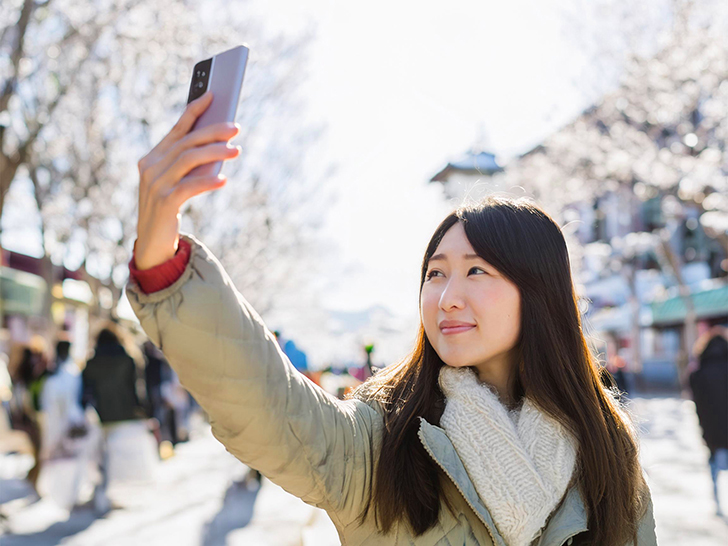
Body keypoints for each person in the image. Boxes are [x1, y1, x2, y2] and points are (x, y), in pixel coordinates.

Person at [125, 93, 657, 545]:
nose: (446, 297)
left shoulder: (605, 443)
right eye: (434, 274)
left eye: (476, 272)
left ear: (539, 293)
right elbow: (268, 406)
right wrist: (163, 262)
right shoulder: (383, 439)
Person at [689, 325, 728, 516]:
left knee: (714, 467)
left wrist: (703, 428)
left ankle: (717, 503)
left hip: (711, 430)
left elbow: (698, 405)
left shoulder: (697, 373)